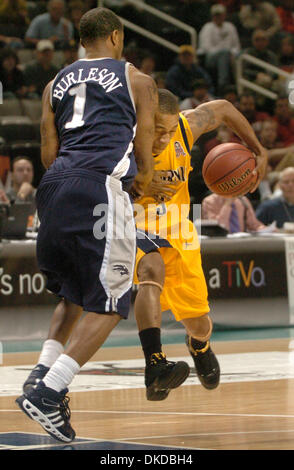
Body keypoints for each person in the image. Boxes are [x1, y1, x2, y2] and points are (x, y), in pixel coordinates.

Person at [16, 7, 158, 443]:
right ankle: (50, 390)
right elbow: (146, 155)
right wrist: (140, 186)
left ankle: (39, 377)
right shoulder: (137, 80)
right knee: (114, 298)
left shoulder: (54, 82)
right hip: (98, 185)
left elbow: (46, 151)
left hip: (53, 187)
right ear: (116, 37)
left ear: (82, 39)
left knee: (74, 295)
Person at [132, 90, 267, 400]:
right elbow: (94, 174)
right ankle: (155, 365)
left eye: (169, 131)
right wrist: (135, 181)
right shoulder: (125, 137)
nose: (164, 139)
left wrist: (258, 149)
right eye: (157, 130)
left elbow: (222, 108)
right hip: (135, 224)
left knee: (200, 323)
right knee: (149, 275)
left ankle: (199, 346)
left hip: (179, 231)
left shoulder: (185, 127)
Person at [198, 4, 241, 95]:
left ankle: (239, 87)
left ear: (224, 15)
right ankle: (223, 85)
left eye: (220, 15)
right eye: (216, 15)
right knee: (224, 54)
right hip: (210, 58)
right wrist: (223, 52)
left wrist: (231, 53)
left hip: (230, 56)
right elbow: (206, 47)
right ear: (212, 16)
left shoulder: (230, 27)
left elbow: (236, 46)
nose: (218, 17)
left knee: (235, 57)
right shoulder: (207, 27)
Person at [202, 194, 266, 233]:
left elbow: (254, 225)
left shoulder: (243, 200)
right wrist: (227, 204)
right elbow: (218, 228)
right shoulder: (209, 201)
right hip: (219, 244)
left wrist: (267, 229)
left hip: (240, 243)